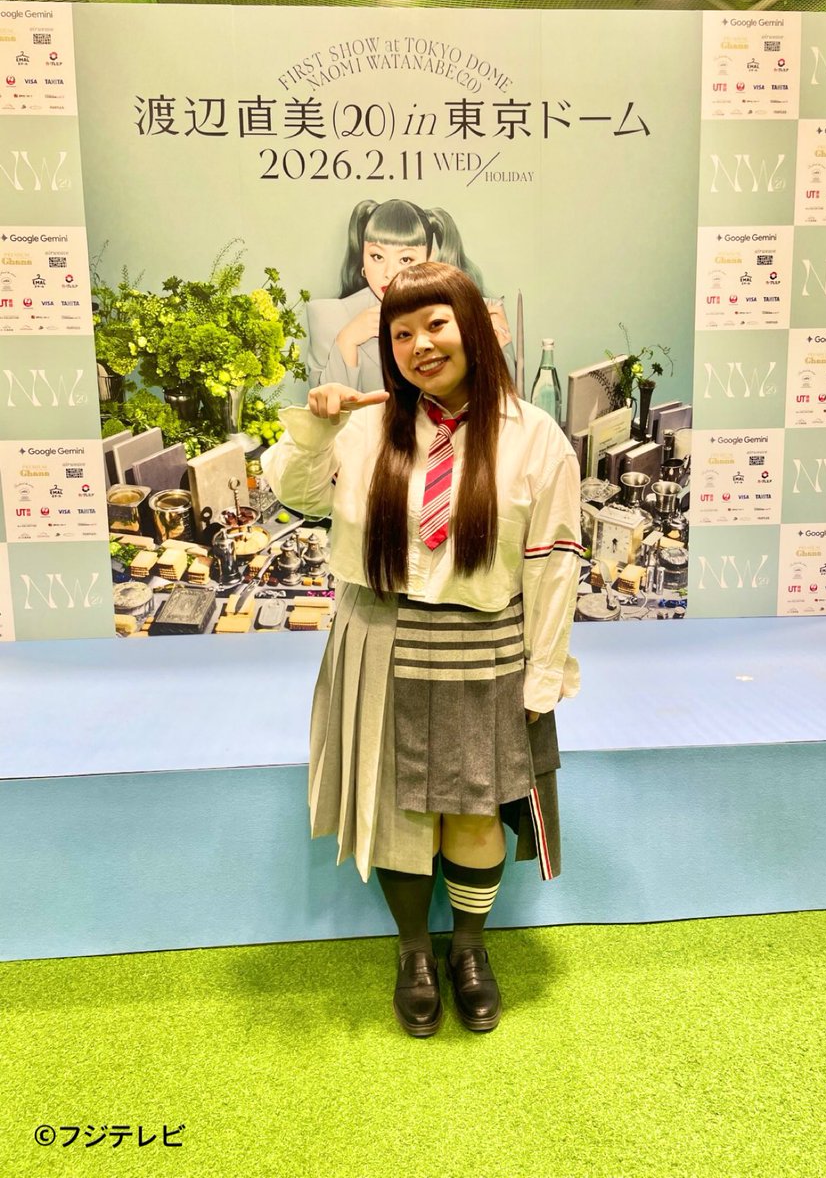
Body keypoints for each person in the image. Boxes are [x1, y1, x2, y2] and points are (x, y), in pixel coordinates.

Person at [263, 262, 581, 1037]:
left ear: (471, 326)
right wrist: (318, 429)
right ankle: (413, 952)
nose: (419, 345)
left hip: (484, 640)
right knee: (397, 816)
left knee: (475, 810)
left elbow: (552, 563)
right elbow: (293, 493)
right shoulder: (367, 426)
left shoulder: (533, 436)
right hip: (378, 633)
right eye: (400, 333)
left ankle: (468, 948)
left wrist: (544, 671)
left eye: (435, 324)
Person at [306, 198, 512, 392]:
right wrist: (347, 340)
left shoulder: (481, 311)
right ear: (362, 257)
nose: (389, 273)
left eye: (405, 259)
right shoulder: (329, 316)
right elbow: (323, 414)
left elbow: (510, 405)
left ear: (430, 258)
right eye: (377, 256)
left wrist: (494, 350)